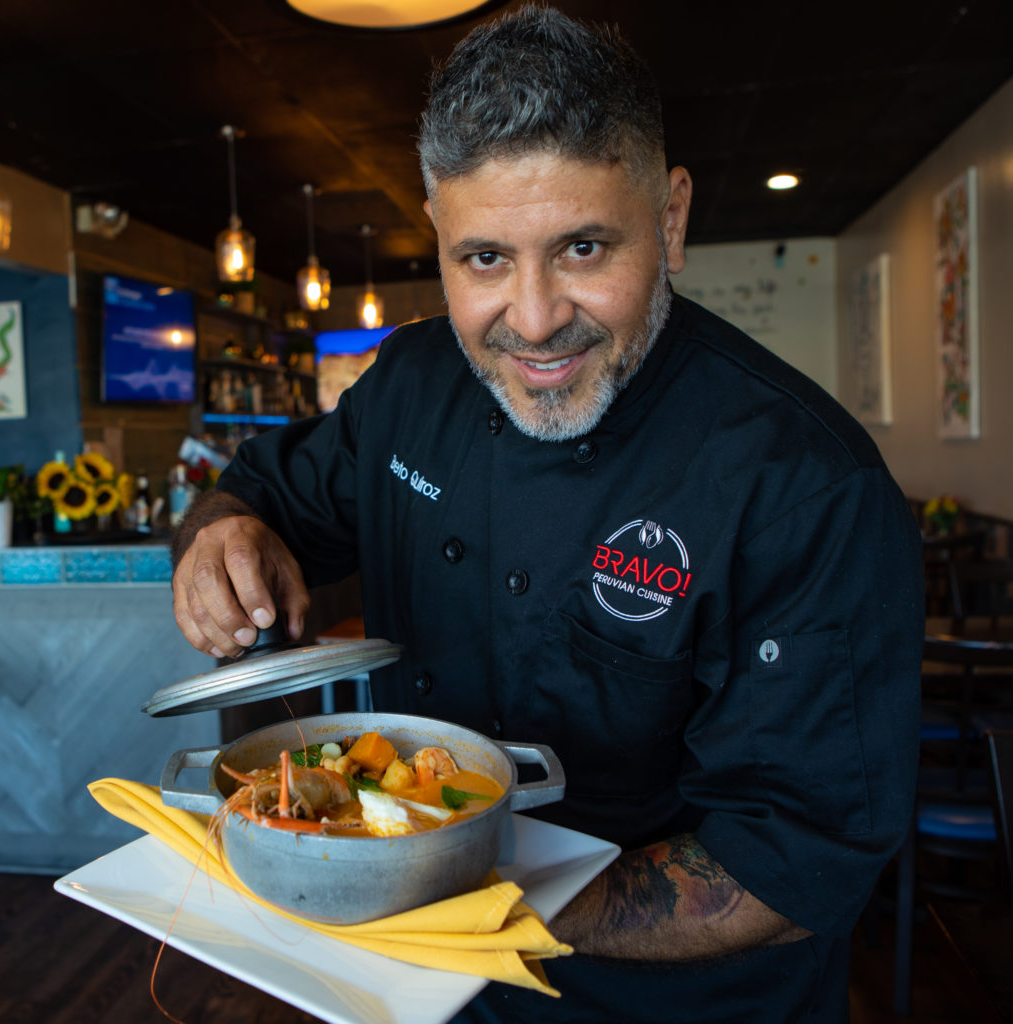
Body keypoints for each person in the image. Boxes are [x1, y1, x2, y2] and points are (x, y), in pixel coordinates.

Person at [171, 7, 924, 1022]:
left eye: (580, 246)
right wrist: (220, 534)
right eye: (483, 258)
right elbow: (256, 490)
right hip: (421, 989)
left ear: (670, 219)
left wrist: (463, 896)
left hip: (679, 1004)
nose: (532, 320)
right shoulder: (410, 386)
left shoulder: (804, 480)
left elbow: (794, 858)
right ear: (438, 235)